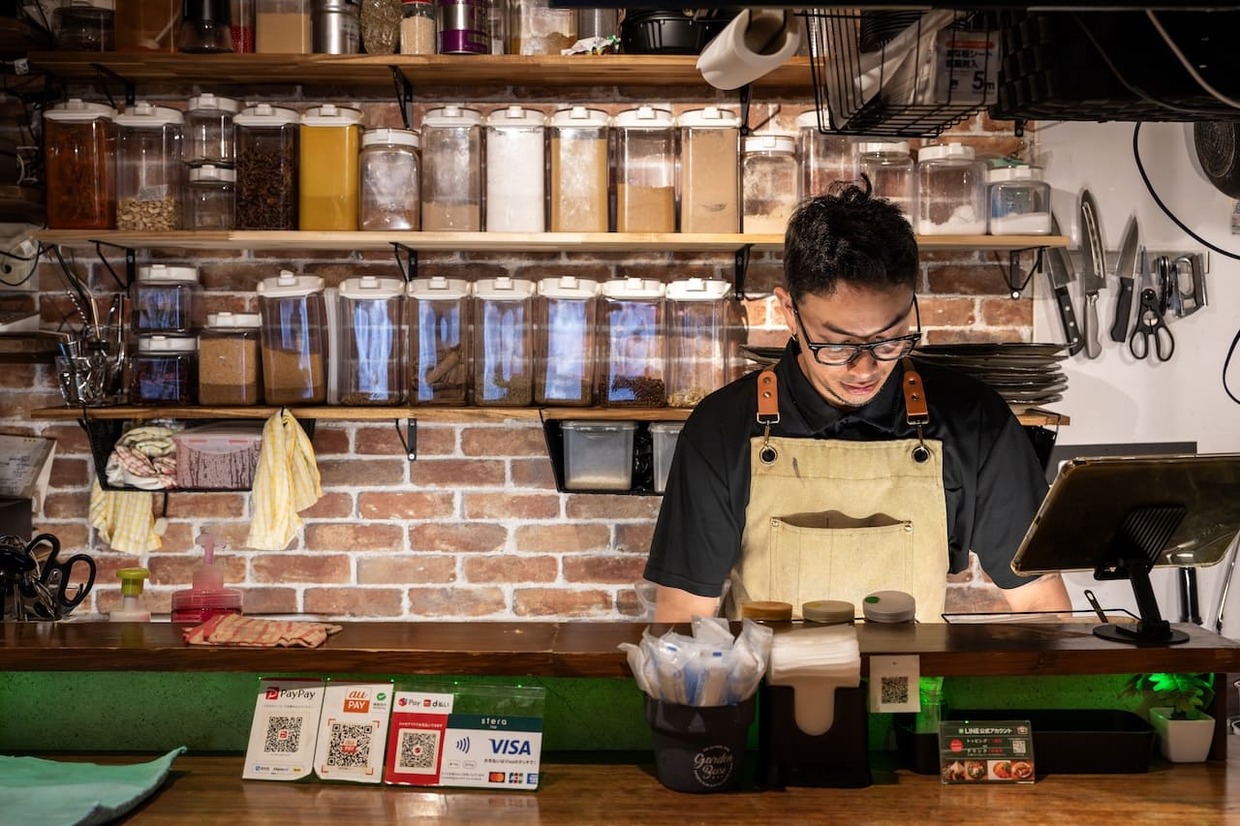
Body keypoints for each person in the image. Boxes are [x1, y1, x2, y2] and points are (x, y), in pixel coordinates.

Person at [644, 181, 1071, 622]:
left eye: (889, 339)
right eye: (836, 345)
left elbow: (1040, 600)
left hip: (912, 669)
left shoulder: (973, 419)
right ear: (789, 312)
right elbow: (683, 616)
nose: (864, 369)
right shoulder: (722, 426)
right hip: (766, 669)